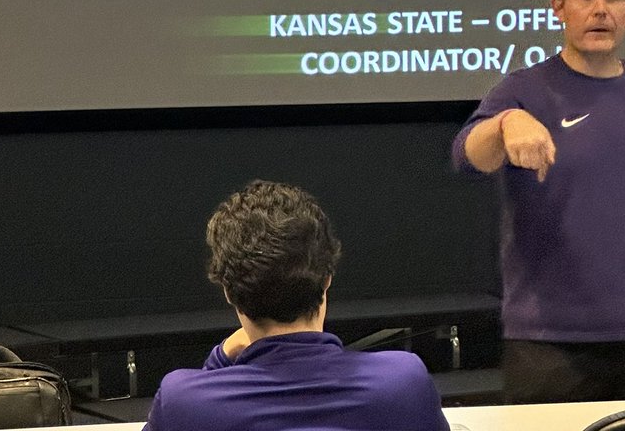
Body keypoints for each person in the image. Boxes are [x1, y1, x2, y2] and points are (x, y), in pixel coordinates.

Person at [452, 0, 625, 405]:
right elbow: (466, 156)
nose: (600, 10)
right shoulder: (523, 90)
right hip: (550, 344)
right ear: (559, 8)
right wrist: (505, 123)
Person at [143, 181, 447, 431]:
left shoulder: (183, 403)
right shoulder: (404, 382)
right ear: (326, 279)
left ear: (228, 291)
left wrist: (221, 358)